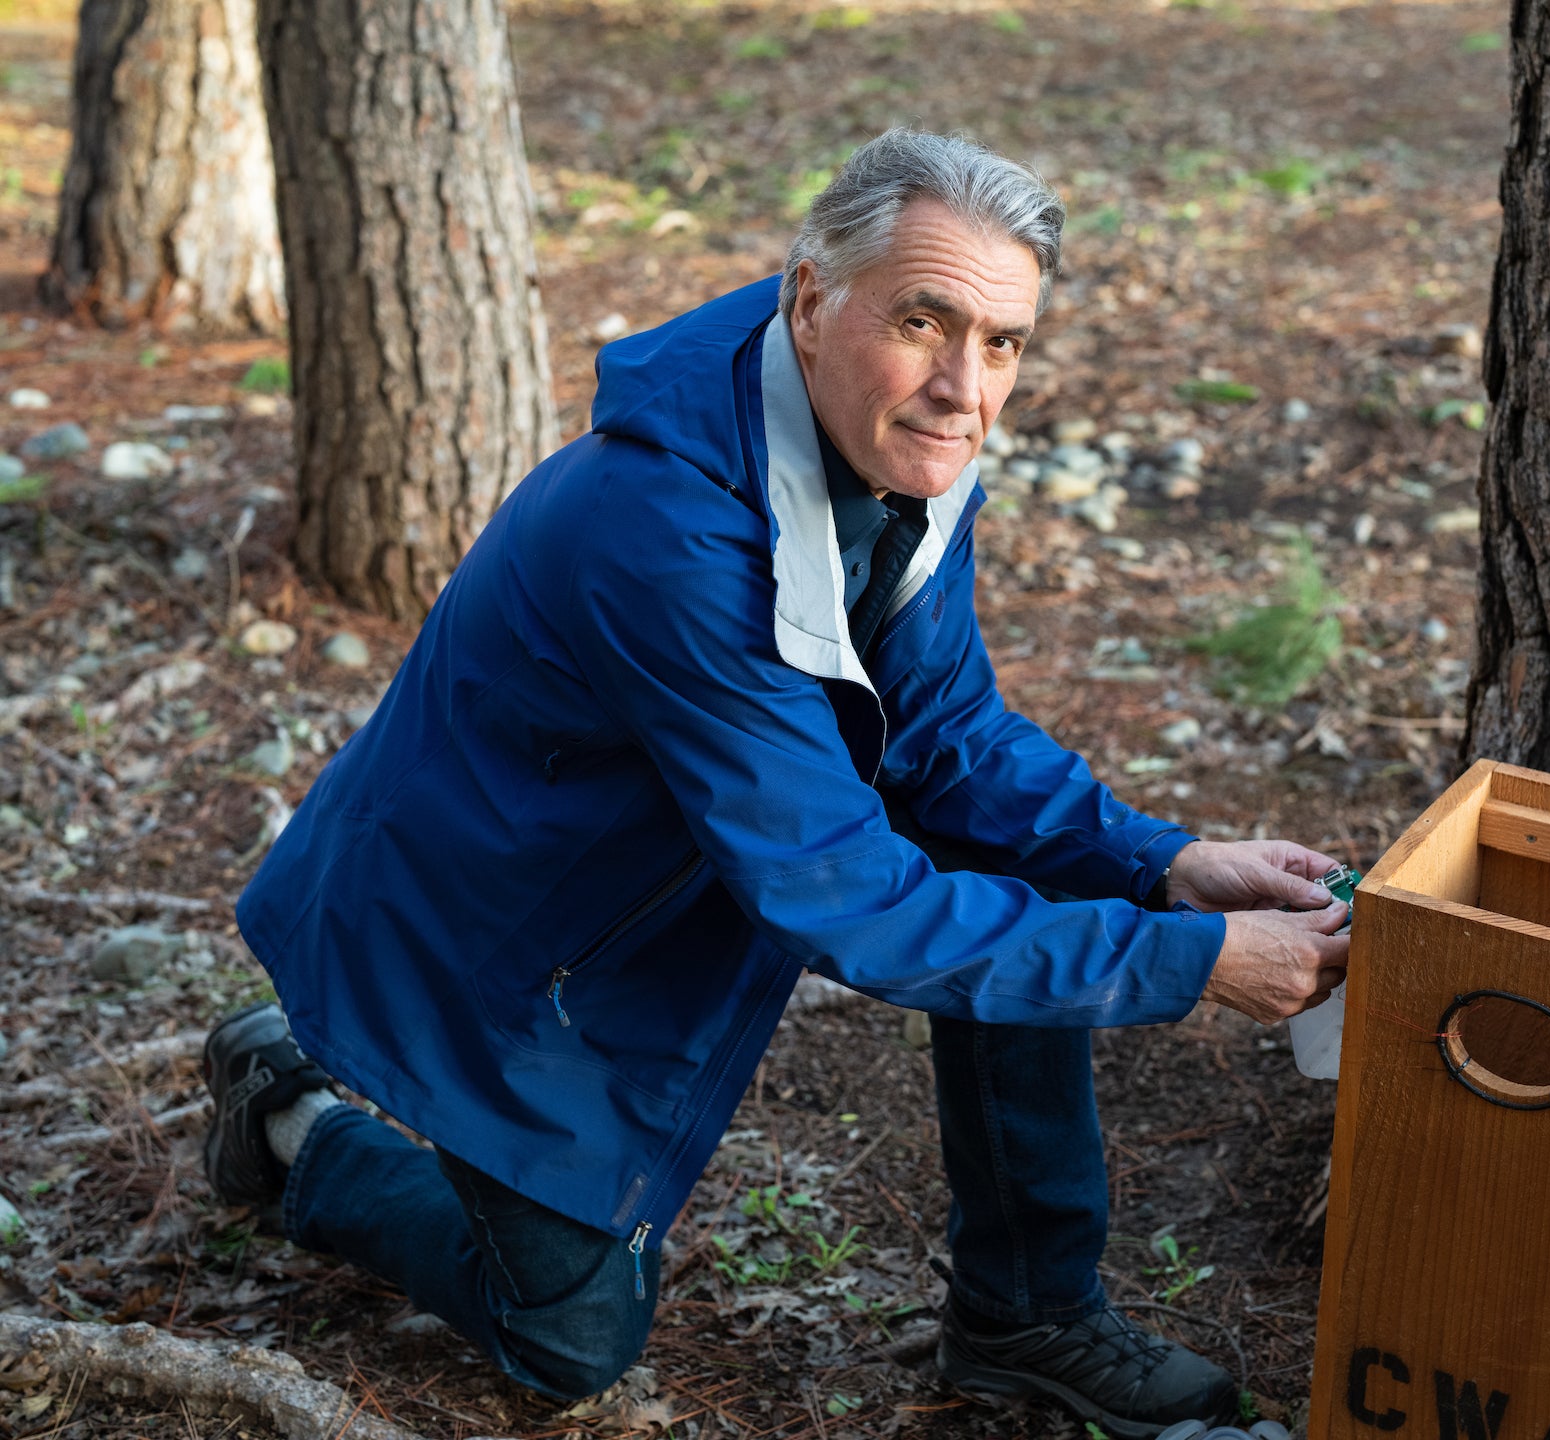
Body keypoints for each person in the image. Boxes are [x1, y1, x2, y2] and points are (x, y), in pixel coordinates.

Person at [203, 129, 1349, 1440]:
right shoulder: (665, 537)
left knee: (1020, 852)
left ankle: (1026, 1313)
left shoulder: (892, 434)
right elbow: (845, 899)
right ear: (810, 297)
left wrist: (1165, 864)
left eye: (1003, 343)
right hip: (483, 934)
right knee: (567, 1334)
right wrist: (1191, 960)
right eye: (925, 321)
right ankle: (284, 1114)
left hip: (655, 865)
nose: (964, 389)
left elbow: (948, 735)